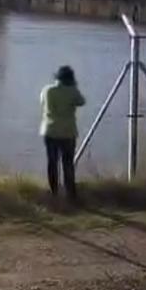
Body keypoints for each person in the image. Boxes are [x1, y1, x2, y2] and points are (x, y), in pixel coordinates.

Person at [40, 65, 85, 203]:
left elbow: (42, 102)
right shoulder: (72, 91)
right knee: (68, 163)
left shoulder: (47, 90)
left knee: (52, 163)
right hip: (68, 133)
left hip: (50, 131)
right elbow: (82, 102)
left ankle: (54, 192)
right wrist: (74, 87)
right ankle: (70, 194)